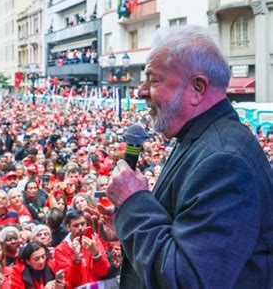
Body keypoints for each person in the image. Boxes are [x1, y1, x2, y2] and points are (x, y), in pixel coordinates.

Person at [85, 25, 273, 287]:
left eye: (154, 79)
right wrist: (127, 223)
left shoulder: (225, 161)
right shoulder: (199, 139)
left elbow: (187, 280)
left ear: (197, 87)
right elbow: (183, 238)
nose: (140, 91)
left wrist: (134, 202)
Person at [55, 210, 108, 287]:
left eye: (83, 224)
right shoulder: (60, 250)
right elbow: (72, 283)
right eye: (76, 225)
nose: (80, 228)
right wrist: (76, 258)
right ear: (68, 227)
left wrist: (96, 254)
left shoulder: (94, 240)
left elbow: (103, 272)